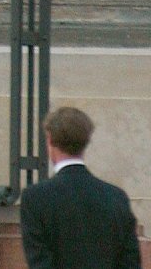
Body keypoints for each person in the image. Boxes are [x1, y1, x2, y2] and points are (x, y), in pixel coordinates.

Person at [19, 106, 140, 269]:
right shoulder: (116, 197)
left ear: (49, 140)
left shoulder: (35, 198)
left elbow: (40, 263)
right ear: (86, 141)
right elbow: (130, 263)